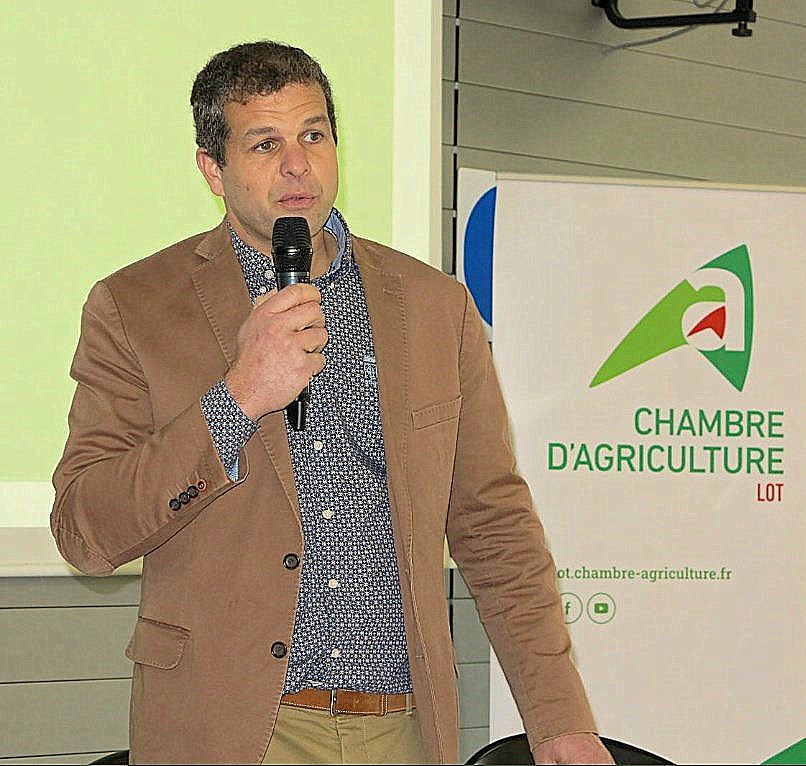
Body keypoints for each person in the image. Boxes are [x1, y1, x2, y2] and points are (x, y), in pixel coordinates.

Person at [51, 41, 613, 765]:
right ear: (212, 170)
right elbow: (84, 529)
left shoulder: (434, 305)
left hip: (402, 726)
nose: (297, 165)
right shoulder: (136, 307)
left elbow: (493, 521)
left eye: (313, 135)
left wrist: (559, 719)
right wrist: (237, 398)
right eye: (265, 144)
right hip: (232, 729)